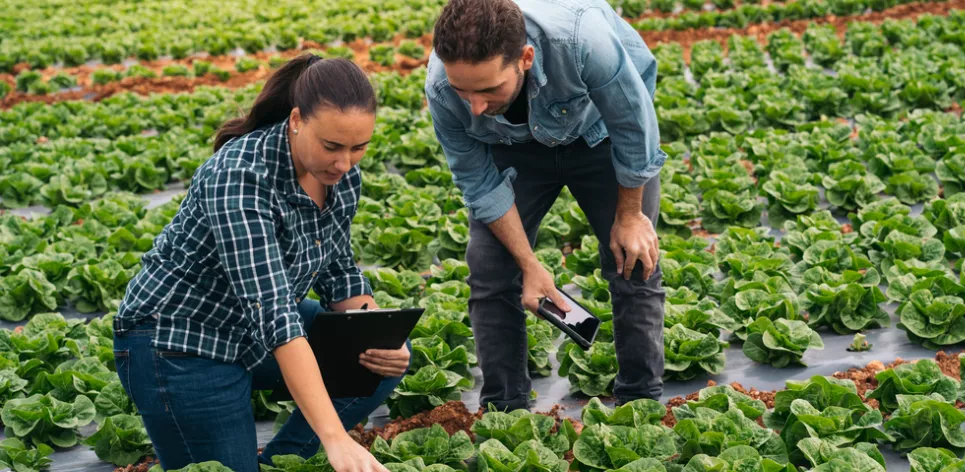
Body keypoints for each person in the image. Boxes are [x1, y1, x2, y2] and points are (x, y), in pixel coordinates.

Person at [113, 54, 407, 472]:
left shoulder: (339, 177)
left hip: (251, 331)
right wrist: (334, 437)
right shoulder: (239, 176)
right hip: (181, 342)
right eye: (332, 146)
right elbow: (274, 314)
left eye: (358, 147)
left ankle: (280, 463)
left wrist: (378, 330)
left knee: (379, 351)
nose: (344, 163)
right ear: (296, 121)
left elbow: (339, 272)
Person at [426, 0, 666, 411]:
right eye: (463, 90)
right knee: (490, 268)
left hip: (599, 135)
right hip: (512, 148)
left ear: (525, 58)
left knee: (633, 259)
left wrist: (629, 215)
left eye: (487, 89)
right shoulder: (440, 87)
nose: (475, 106)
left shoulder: (581, 41)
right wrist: (528, 264)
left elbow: (632, 122)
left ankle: (640, 402)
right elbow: (479, 183)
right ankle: (505, 411)